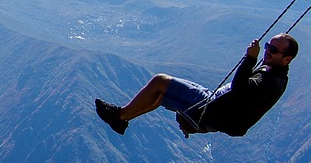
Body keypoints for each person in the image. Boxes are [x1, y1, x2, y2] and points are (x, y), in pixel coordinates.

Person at [95, 34, 298, 138]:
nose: (268, 51)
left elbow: (239, 89)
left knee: (160, 82)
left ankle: (120, 116)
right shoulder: (276, 72)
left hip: (210, 109)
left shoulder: (269, 81)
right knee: (160, 94)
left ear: (287, 59)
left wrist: (249, 59)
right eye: (268, 47)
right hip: (215, 104)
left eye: (273, 50)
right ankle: (122, 119)